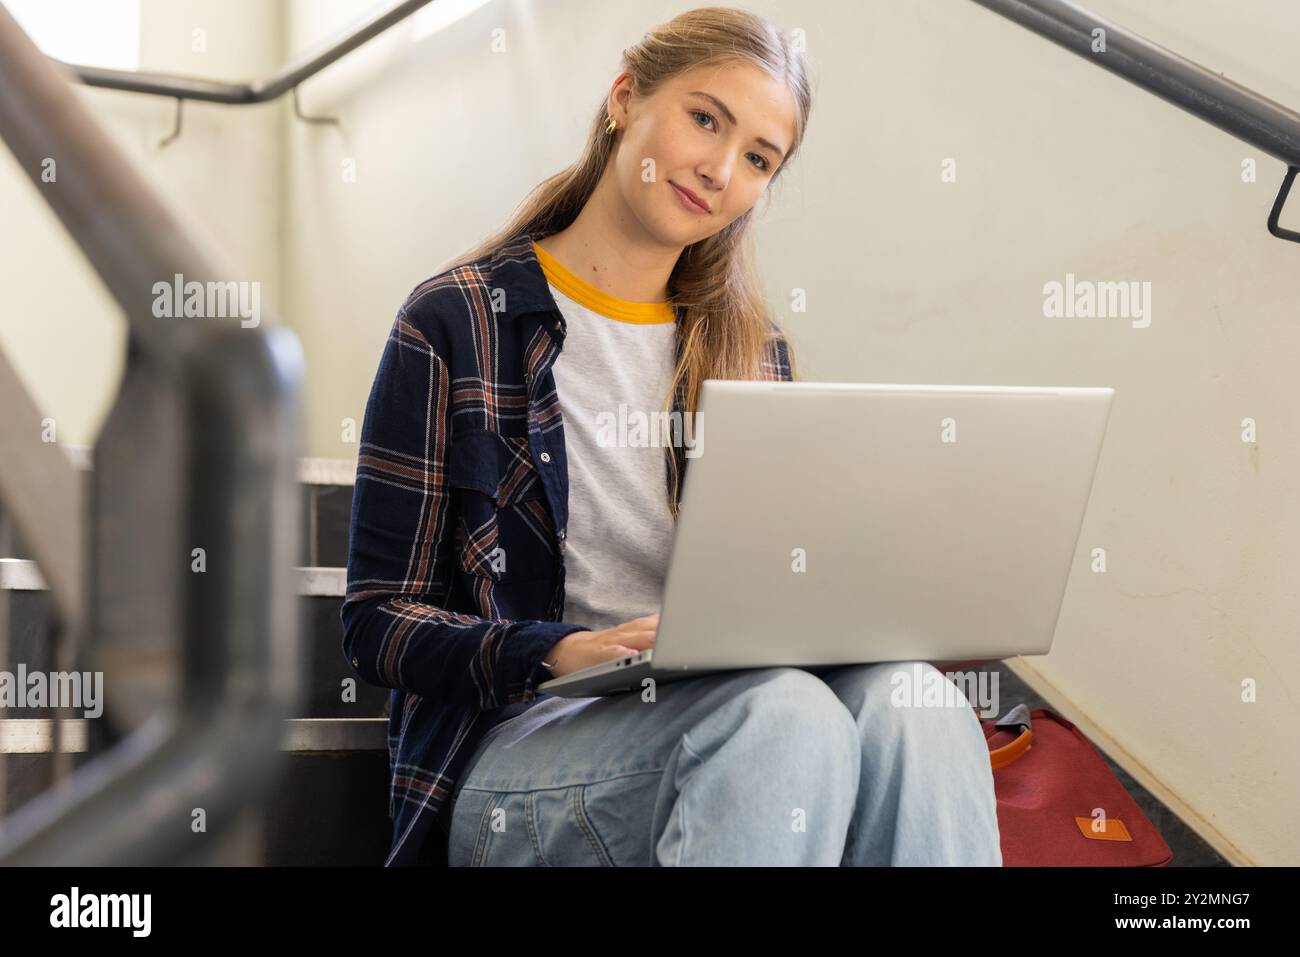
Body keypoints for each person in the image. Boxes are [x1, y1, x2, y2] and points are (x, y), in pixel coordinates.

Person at [341, 5, 1001, 866]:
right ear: (625, 98)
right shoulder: (456, 320)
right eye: (705, 118)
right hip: (522, 749)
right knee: (781, 719)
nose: (721, 169)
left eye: (759, 158)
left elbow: (780, 605)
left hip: (730, 712)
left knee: (912, 701)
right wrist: (556, 651)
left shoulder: (753, 354)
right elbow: (375, 623)